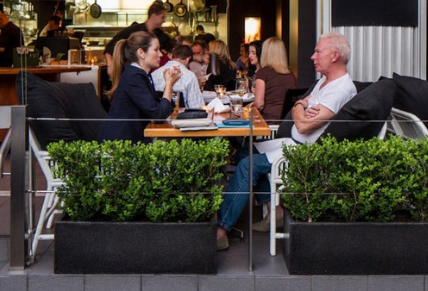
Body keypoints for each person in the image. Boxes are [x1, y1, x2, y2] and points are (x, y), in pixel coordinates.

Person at [216, 32, 357, 250]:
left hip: (303, 151)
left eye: (318, 51)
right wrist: (301, 106)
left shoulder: (340, 89)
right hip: (291, 142)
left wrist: (300, 107)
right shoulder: (324, 82)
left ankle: (221, 229)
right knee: (244, 152)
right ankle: (276, 211)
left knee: (247, 164)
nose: (312, 56)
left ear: (334, 56)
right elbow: (299, 105)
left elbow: (303, 125)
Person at [97, 31, 181, 143]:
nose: (161, 54)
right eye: (156, 50)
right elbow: (159, 115)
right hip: (118, 145)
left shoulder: (139, 74)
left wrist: (169, 84)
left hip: (128, 141)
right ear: (141, 53)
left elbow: (158, 109)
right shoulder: (134, 77)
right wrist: (169, 84)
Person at [104, 1, 167, 70]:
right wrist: (110, 65)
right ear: (154, 16)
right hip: (131, 70)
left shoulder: (160, 35)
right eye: (162, 17)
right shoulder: (133, 30)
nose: (164, 21)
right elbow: (110, 47)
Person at [254, 37, 297, 124]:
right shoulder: (290, 74)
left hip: (269, 120)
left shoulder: (263, 72)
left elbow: (259, 104)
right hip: (288, 120)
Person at [151, 45, 203, 109]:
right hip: (180, 114)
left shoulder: (154, 74)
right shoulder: (190, 76)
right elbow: (196, 106)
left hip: (159, 113)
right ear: (188, 59)